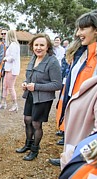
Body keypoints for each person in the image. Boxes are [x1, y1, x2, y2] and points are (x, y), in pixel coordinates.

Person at [53, 9, 97, 159]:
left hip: (89, 113)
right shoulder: (82, 53)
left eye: (82, 29)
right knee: (71, 145)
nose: (77, 33)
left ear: (96, 30)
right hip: (75, 107)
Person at [16, 33, 62, 161]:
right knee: (27, 120)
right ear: (32, 47)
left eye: (42, 45)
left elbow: (57, 84)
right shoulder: (33, 58)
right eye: (36, 45)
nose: (38, 48)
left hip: (43, 98)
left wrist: (36, 86)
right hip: (31, 95)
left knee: (36, 124)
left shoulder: (52, 62)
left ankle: (34, 150)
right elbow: (29, 76)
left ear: (48, 47)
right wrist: (25, 83)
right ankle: (28, 144)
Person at [0, 30, 21, 112]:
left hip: (12, 69)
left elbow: (13, 57)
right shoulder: (10, 45)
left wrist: (5, 59)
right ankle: (3, 102)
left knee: (11, 87)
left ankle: (15, 104)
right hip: (8, 69)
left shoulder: (14, 45)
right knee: (4, 86)